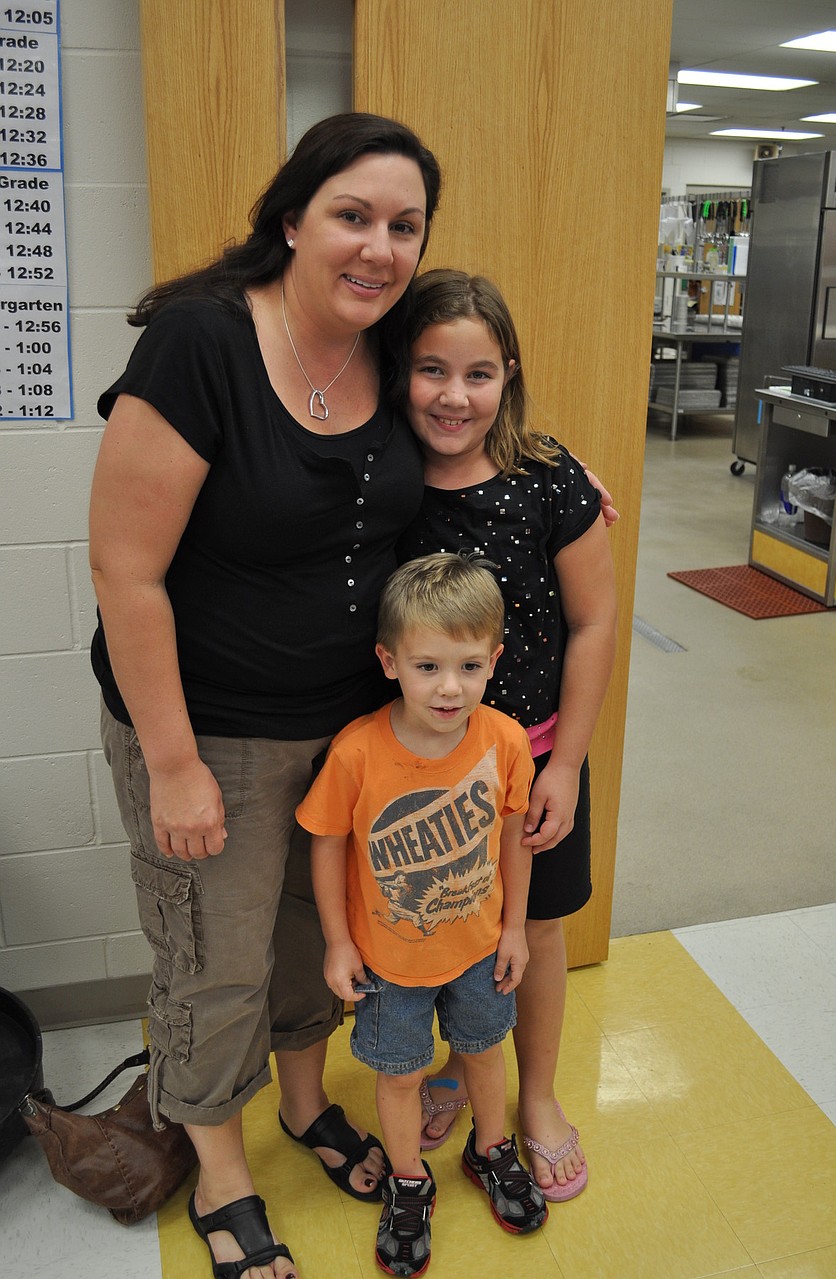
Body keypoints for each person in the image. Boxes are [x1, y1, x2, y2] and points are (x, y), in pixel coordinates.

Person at [88, 113, 442, 1279]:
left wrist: (558, 479)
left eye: (404, 225)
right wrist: (174, 758)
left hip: (341, 731)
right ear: (290, 220)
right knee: (213, 958)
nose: (378, 247)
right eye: (352, 215)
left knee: (308, 940)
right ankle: (222, 1168)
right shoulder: (200, 344)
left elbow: (466, 434)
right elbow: (124, 570)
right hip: (212, 731)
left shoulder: (391, 347)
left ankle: (302, 1104)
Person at [393, 269, 618, 1201]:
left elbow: (595, 622)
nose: (455, 395)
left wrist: (565, 764)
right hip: (423, 773)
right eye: (431, 370)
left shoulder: (550, 481)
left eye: (478, 373)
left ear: (508, 374)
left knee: (535, 928)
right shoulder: (379, 480)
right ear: (397, 372)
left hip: (533, 758)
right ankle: (458, 1062)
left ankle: (536, 1096)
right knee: (444, 923)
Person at [297, 553, 548, 1277]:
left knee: (482, 1051)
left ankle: (492, 1149)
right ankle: (409, 1179)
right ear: (389, 661)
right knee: (401, 1074)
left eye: (470, 666)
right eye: (428, 665)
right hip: (389, 965)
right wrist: (338, 942)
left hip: (479, 949)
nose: (449, 686)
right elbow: (326, 845)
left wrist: (514, 930)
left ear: (494, 659)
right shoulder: (357, 752)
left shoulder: (503, 741)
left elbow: (513, 836)